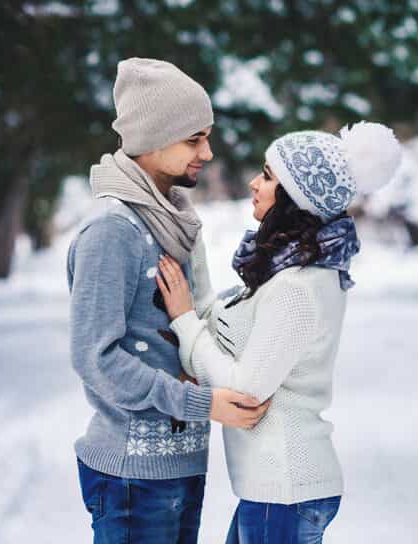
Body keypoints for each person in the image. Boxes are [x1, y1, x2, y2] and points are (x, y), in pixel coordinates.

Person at [156, 119, 402, 544]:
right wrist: (189, 244)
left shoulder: (297, 287)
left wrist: (184, 321)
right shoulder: (286, 273)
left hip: (285, 488)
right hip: (276, 491)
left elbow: (244, 390)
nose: (254, 183)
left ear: (296, 196)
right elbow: (224, 324)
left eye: (267, 176)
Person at [67, 57, 269, 544]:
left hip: (178, 463)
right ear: (153, 138)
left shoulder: (172, 221)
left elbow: (187, 319)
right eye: (193, 139)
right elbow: (96, 358)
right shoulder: (113, 231)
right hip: (133, 474)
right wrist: (199, 401)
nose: (208, 151)